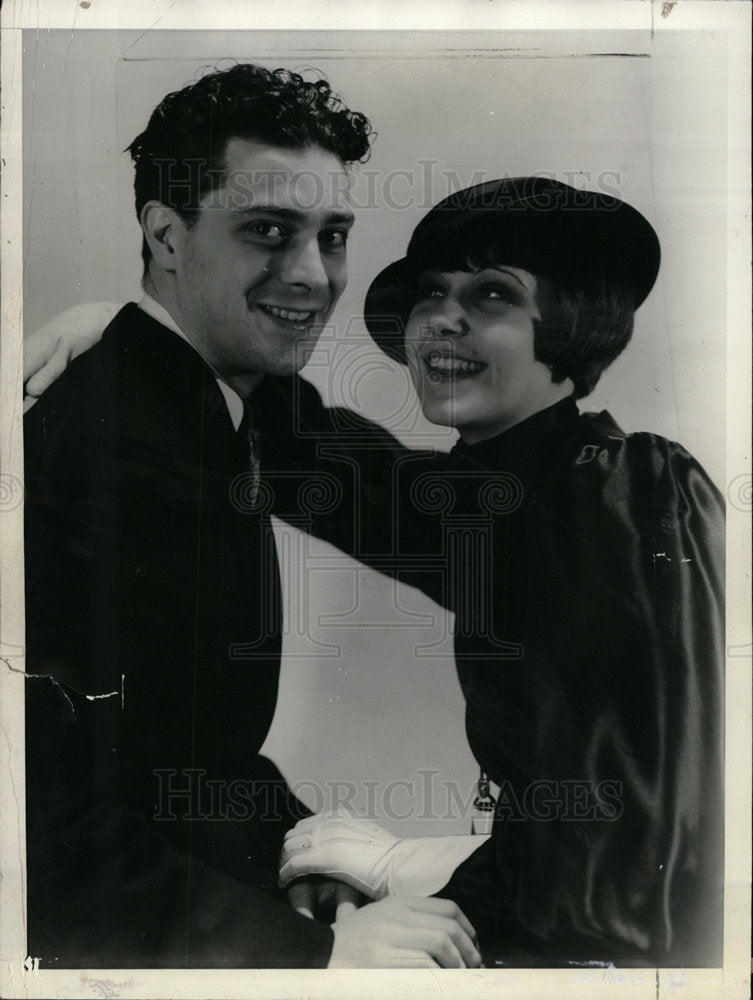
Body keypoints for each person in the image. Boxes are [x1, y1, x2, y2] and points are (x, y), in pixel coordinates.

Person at [22, 62, 481, 970]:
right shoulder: (95, 450)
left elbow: (435, 517)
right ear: (165, 234)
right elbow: (40, 830)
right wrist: (309, 960)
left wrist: (290, 848)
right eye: (268, 231)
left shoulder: (215, 392)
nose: (311, 276)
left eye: (332, 235)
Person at [277, 177, 725, 968]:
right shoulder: (508, 492)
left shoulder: (613, 490)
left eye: (491, 294)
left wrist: (405, 898)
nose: (443, 317)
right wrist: (135, 336)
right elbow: (311, 455)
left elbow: (623, 855)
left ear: (570, 328)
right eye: (430, 294)